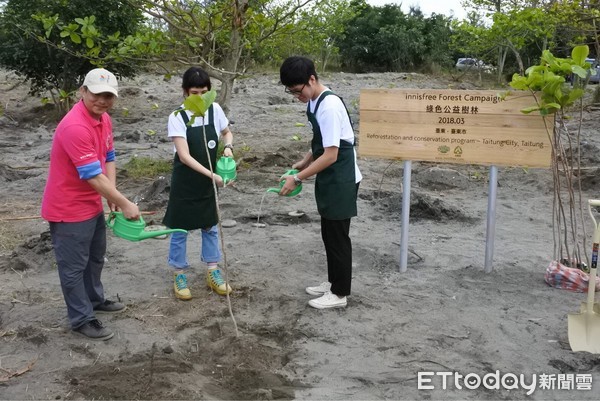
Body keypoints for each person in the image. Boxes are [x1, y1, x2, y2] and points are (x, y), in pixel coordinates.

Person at [41, 68, 140, 341]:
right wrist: (125, 203)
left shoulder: (103, 119)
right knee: (73, 266)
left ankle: (95, 300)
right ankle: (81, 318)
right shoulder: (75, 126)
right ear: (83, 91)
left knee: (95, 257)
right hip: (68, 207)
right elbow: (91, 175)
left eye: (108, 95)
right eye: (97, 94)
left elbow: (108, 156)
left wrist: (112, 194)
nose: (103, 100)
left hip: (91, 203)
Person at [278, 56, 362, 309]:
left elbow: (332, 153)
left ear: (312, 79)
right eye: (291, 92)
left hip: (342, 178)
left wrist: (297, 178)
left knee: (338, 237)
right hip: (329, 176)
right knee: (329, 234)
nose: (296, 96)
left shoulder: (329, 106)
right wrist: (303, 162)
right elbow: (321, 142)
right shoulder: (314, 102)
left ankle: (339, 295)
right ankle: (333, 282)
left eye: (297, 90)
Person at [162, 66, 234, 300]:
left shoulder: (214, 110)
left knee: (210, 226)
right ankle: (179, 273)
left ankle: (213, 271)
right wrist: (212, 176)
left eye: (204, 91)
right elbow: (184, 156)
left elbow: (226, 132)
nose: (200, 97)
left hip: (208, 180)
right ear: (185, 92)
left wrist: (229, 149)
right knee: (180, 229)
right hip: (187, 181)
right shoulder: (178, 117)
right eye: (194, 92)